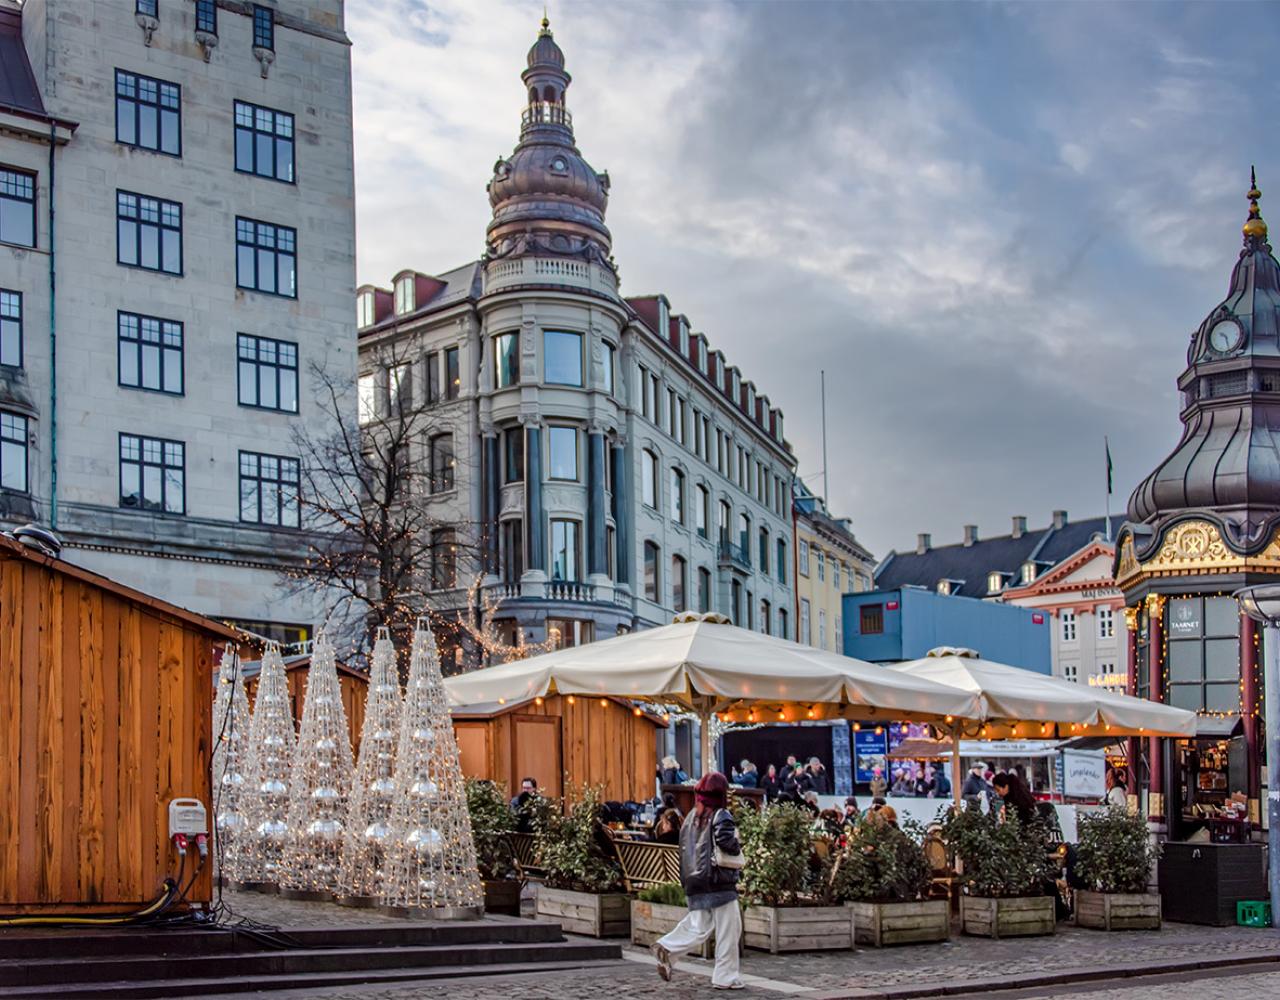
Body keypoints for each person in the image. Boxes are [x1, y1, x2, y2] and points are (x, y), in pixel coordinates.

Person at [652, 772, 744, 991]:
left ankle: (667, 947)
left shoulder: (692, 816)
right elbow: (725, 841)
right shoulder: (721, 814)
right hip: (718, 881)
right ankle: (725, 977)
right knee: (729, 929)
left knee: (698, 926)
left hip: (695, 880)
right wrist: (738, 844)